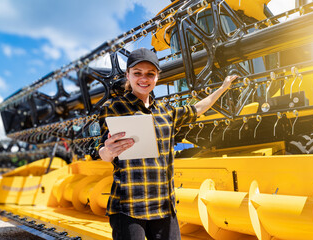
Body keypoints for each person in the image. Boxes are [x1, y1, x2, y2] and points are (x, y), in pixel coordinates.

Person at [97, 47, 238, 240]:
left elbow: (197, 109)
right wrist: (108, 151)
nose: (144, 79)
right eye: (137, 73)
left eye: (150, 74)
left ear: (157, 78)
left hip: (163, 204)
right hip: (128, 205)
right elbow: (103, 151)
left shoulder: (166, 111)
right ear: (127, 75)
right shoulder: (113, 107)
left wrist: (223, 88)